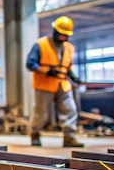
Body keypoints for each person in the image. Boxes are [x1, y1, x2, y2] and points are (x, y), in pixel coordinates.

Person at [26, 16, 84, 147]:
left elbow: (67, 66)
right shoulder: (40, 44)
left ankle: (69, 137)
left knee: (70, 110)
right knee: (41, 113)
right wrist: (46, 71)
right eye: (61, 34)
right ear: (54, 31)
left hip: (62, 84)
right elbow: (30, 64)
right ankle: (35, 134)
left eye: (66, 35)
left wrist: (74, 77)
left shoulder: (69, 48)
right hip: (44, 85)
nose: (63, 37)